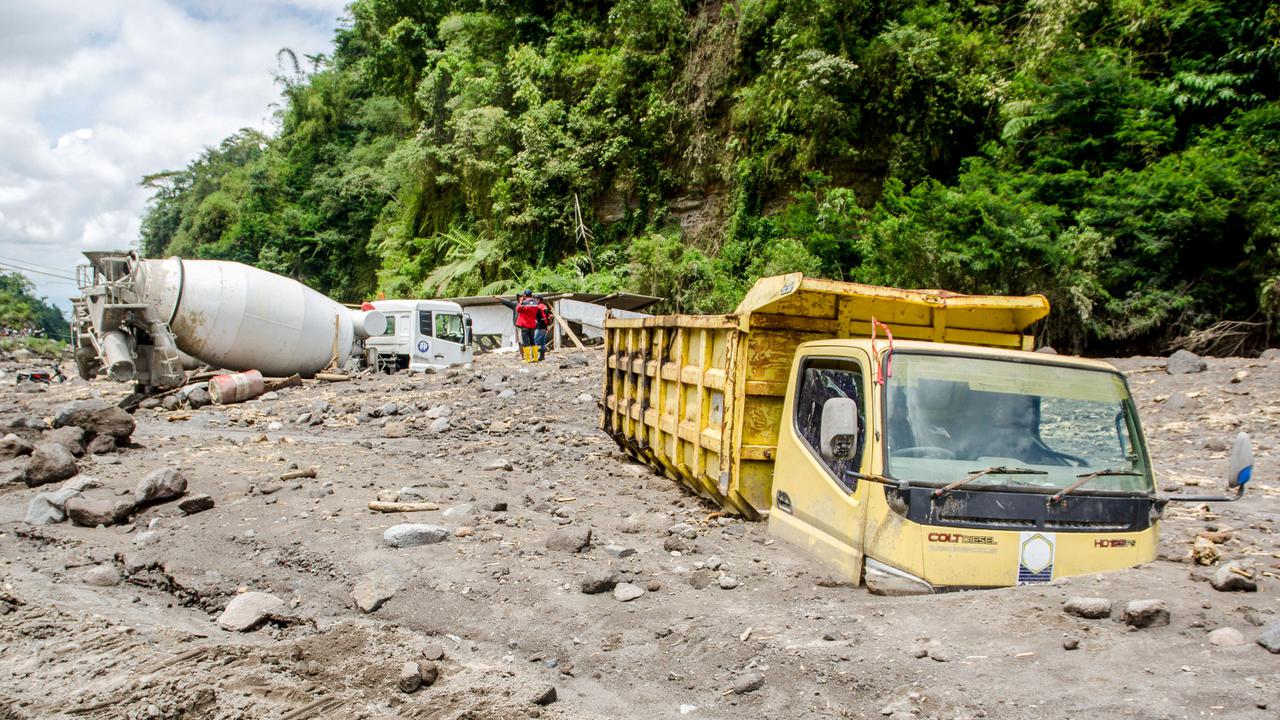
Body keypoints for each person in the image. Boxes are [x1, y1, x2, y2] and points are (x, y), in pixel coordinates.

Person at [498, 290, 545, 362]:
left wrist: (520, 302)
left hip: (525, 325)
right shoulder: (535, 303)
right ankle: (535, 358)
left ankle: (527, 359)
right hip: (532, 325)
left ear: (525, 295)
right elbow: (537, 311)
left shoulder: (524, 302)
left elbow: (518, 309)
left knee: (525, 342)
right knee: (533, 341)